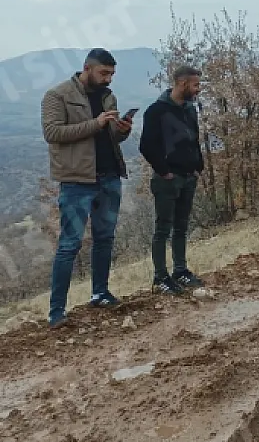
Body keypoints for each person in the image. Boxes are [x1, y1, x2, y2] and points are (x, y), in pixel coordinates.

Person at [40, 48, 132, 329]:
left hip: (109, 176)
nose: (108, 79)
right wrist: (96, 123)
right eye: (104, 73)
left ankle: (100, 293)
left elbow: (109, 136)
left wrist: (122, 129)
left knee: (105, 238)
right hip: (77, 181)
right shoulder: (57, 95)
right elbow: (52, 133)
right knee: (69, 245)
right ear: (87, 68)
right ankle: (57, 311)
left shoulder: (107, 96)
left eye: (112, 74)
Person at [139, 64, 206, 295]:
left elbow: (194, 139)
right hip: (168, 180)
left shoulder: (189, 109)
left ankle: (180, 270)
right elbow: (146, 146)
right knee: (162, 229)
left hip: (189, 177)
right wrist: (164, 171)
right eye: (195, 85)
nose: (198, 89)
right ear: (182, 83)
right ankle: (160, 277)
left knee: (181, 227)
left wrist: (199, 166)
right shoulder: (156, 111)